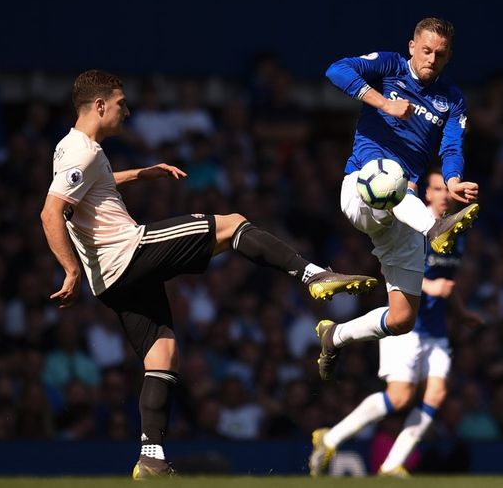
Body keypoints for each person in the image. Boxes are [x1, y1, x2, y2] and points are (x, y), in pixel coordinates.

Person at [40, 70, 377, 478]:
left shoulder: (71, 149)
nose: (126, 111)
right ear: (99, 106)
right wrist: (69, 269)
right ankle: (312, 275)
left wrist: (142, 174)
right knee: (232, 223)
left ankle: (152, 457)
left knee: (162, 355)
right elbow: (51, 210)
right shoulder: (83, 151)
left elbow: (89, 186)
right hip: (127, 253)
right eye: (120, 103)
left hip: (110, 280)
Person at [316, 17, 480, 380]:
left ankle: (335, 336)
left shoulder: (452, 99)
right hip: (363, 187)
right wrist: (383, 103)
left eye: (440, 54)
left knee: (403, 319)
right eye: (426, 50)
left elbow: (452, 146)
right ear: (411, 46)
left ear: (449, 56)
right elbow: (336, 70)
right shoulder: (389, 66)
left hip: (403, 209)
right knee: (394, 179)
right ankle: (436, 227)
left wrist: (452, 180)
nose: (431, 59)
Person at [308, 169, 483, 476]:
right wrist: (430, 288)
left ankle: (392, 465)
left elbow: (446, 283)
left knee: (437, 394)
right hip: (408, 326)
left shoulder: (457, 235)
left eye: (446, 190)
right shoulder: (411, 225)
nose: (444, 194)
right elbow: (390, 271)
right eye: (437, 189)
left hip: (437, 330)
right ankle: (331, 437)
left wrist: (461, 312)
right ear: (426, 194)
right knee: (399, 397)